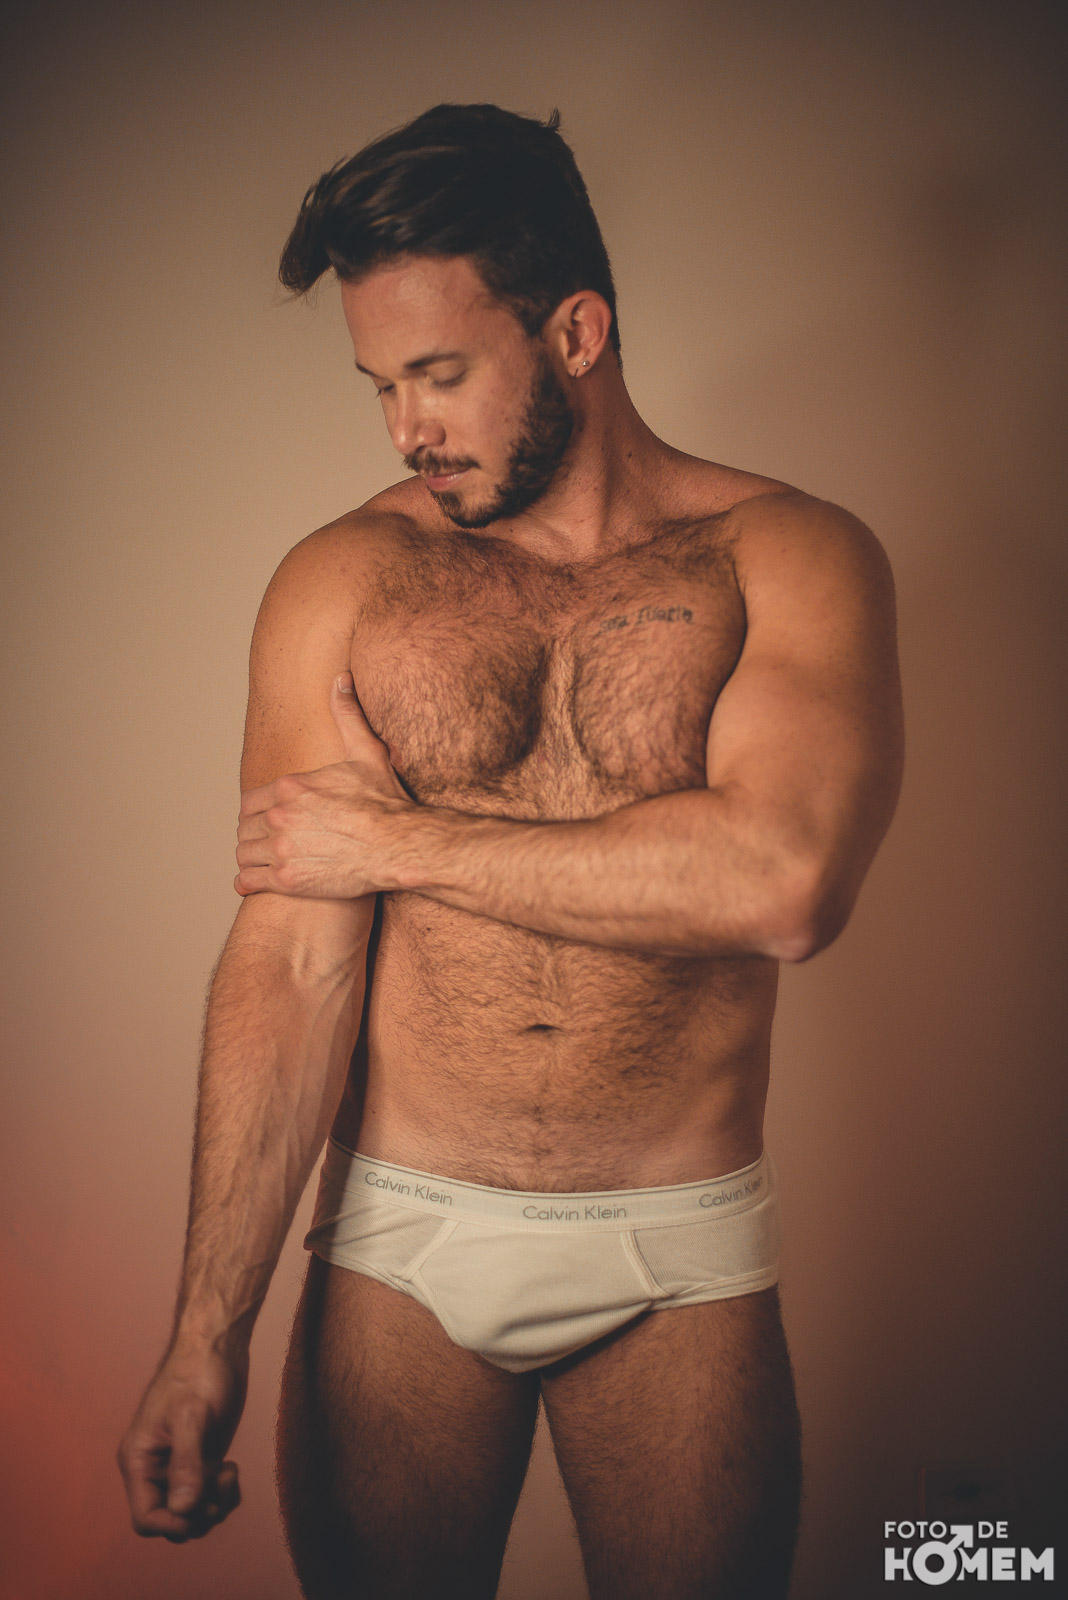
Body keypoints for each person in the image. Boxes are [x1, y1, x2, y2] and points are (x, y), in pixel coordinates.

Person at [117, 103, 903, 1599]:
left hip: (675, 1244)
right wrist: (205, 1334)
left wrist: (396, 841)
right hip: (404, 1238)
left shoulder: (787, 556)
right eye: (381, 385)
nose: (406, 428)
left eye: (440, 374)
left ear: (576, 332)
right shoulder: (347, 578)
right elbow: (292, 958)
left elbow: (782, 882)